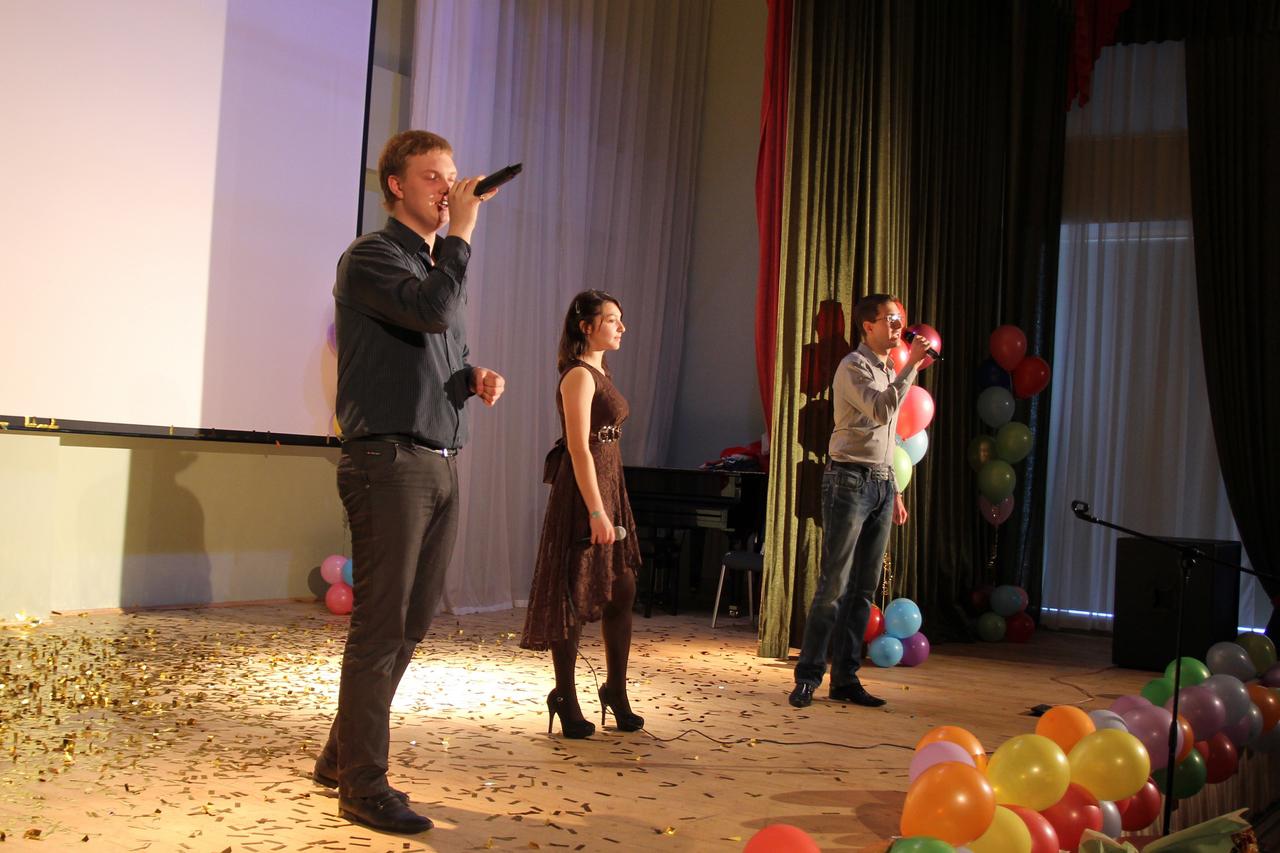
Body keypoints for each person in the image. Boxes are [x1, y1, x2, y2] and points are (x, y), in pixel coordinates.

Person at [315, 130, 505, 834]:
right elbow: (430, 311)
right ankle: (363, 786)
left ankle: (341, 756)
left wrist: (470, 375)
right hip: (389, 463)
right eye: (432, 176)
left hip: (438, 458)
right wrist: (462, 233)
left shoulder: (430, 267)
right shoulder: (371, 256)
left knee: (414, 621)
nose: (447, 188)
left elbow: (432, 337)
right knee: (381, 626)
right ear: (395, 185)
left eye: (451, 176)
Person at [788, 293, 931, 709]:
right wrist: (912, 367)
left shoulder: (889, 369)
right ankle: (808, 676)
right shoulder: (853, 366)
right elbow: (881, 412)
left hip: (882, 483)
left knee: (863, 589)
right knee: (833, 585)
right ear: (867, 326)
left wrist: (895, 490)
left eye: (900, 319)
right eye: (890, 320)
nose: (898, 327)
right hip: (849, 481)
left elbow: (889, 438)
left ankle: (846, 679)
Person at [521, 290, 644, 739]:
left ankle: (615, 691)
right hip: (584, 494)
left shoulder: (601, 370)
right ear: (586, 326)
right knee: (573, 592)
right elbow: (578, 448)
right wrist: (595, 510)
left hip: (610, 486)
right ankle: (565, 696)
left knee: (622, 589)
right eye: (611, 319)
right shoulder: (577, 375)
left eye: (620, 318)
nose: (621, 327)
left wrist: (609, 502)